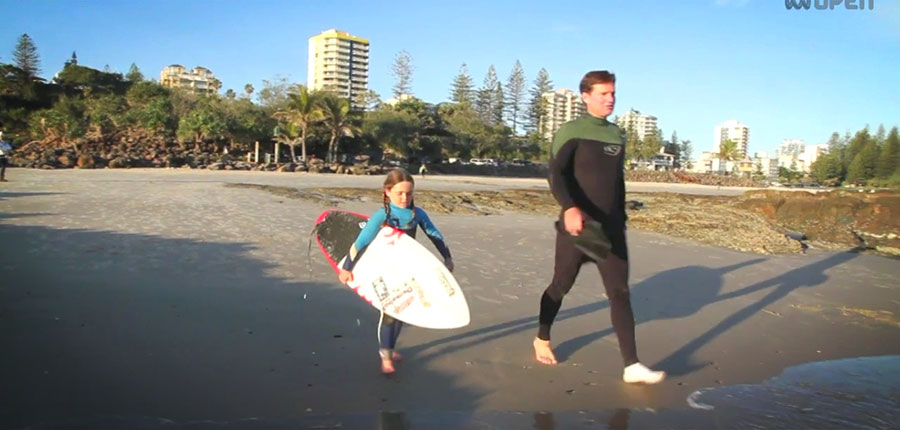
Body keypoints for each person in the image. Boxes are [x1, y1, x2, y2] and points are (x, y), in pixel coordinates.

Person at [533, 70, 665, 384]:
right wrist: (569, 208)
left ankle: (632, 365)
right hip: (579, 227)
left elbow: (615, 181)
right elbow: (557, 174)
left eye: (613, 93)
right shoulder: (571, 131)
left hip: (610, 229)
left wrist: (621, 217)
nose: (610, 99)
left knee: (619, 292)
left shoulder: (616, 135)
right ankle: (542, 337)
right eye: (603, 93)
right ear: (586, 96)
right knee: (560, 286)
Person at [338, 168, 454, 374]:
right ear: (387, 192)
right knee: (391, 312)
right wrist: (347, 268)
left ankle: (390, 347)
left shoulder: (417, 214)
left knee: (405, 310)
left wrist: (447, 256)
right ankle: (385, 355)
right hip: (385, 269)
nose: (404, 197)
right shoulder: (382, 215)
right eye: (399, 193)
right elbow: (361, 242)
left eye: (409, 193)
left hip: (408, 269)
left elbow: (434, 235)